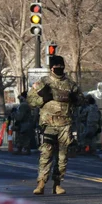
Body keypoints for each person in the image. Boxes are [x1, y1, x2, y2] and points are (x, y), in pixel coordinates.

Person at [27, 55, 83, 195]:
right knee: (46, 153)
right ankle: (41, 183)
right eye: (56, 66)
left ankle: (57, 184)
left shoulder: (70, 84)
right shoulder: (43, 83)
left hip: (65, 124)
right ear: (51, 68)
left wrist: (75, 99)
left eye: (61, 66)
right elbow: (31, 100)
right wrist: (43, 99)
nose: (59, 69)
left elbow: (81, 100)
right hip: (48, 124)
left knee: (62, 157)